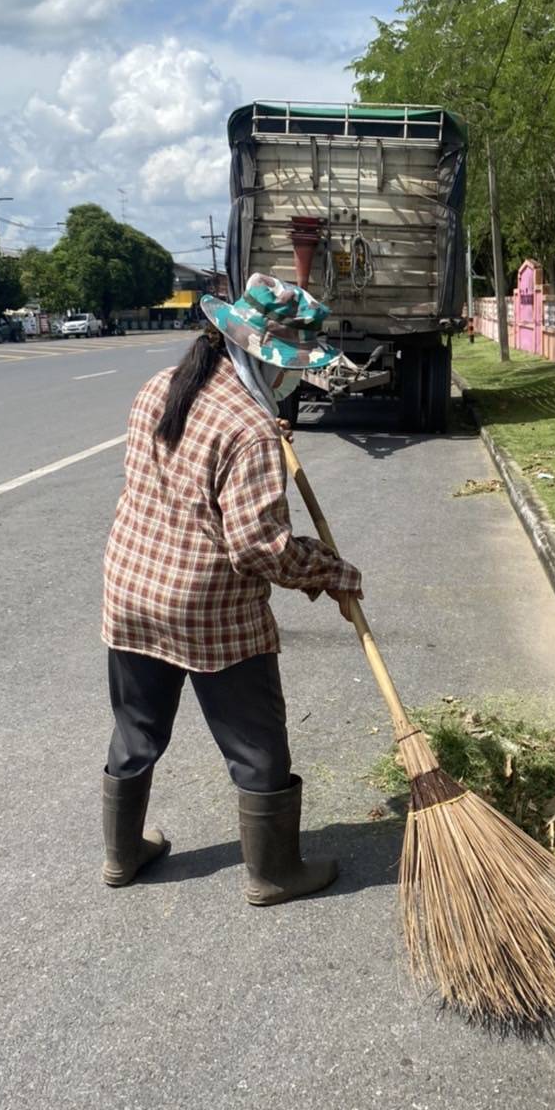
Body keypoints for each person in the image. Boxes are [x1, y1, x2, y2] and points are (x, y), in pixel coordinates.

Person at [100, 273, 363, 905]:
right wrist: (331, 571)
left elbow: (184, 469)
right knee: (256, 743)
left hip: (131, 587)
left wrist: (265, 434)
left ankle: (121, 854)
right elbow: (258, 546)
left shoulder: (162, 388)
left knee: (136, 729)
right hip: (206, 604)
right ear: (264, 360)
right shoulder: (247, 427)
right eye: (293, 368)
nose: (296, 380)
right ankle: (273, 872)